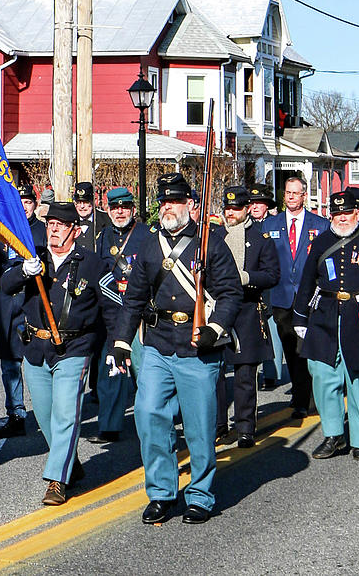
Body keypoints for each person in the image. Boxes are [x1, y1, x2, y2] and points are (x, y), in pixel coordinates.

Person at [111, 173, 242, 525]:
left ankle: (199, 494)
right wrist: (122, 342)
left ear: (191, 206)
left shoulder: (210, 244)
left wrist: (215, 328)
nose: (168, 208)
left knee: (199, 426)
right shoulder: (151, 247)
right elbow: (134, 298)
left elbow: (231, 293)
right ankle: (161, 493)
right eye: (164, 202)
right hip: (156, 343)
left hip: (197, 346)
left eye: (175, 201)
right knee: (148, 413)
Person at [2, 201, 122, 506]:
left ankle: (57, 479)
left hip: (74, 348)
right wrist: (23, 272)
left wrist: (115, 348)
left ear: (76, 230)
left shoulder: (93, 263)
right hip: (36, 349)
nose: (53, 229)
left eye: (61, 225)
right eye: (50, 224)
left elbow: (111, 308)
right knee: (46, 417)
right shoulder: (34, 258)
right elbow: (5, 285)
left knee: (67, 414)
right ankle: (70, 462)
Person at [292, 189, 359, 461]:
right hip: (325, 316)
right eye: (337, 213)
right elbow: (307, 281)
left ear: (357, 212)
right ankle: (333, 434)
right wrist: (300, 318)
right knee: (323, 376)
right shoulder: (321, 242)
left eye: (347, 213)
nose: (342, 218)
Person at [211, 187, 280, 447]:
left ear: (247, 209)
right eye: (227, 208)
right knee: (214, 373)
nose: (231, 213)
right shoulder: (214, 236)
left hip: (247, 310)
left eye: (236, 208)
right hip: (216, 309)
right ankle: (217, 425)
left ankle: (244, 427)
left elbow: (272, 275)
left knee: (244, 376)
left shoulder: (261, 239)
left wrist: (247, 277)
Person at [0, 183, 47, 439]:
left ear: (35, 204)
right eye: (18, 201)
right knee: (10, 365)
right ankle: (16, 413)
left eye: (28, 202)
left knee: (36, 363)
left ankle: (44, 411)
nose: (23, 206)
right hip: (8, 305)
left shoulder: (43, 232)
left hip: (33, 304)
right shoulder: (2, 233)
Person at [90, 186, 153, 444]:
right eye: (115, 207)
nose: (119, 212)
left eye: (124, 207)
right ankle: (110, 424)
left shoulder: (147, 235)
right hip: (112, 314)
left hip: (139, 314)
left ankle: (152, 423)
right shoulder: (103, 237)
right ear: (108, 209)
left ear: (133, 209)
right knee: (112, 371)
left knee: (144, 372)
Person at [263, 176, 329, 418]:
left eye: (295, 193)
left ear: (304, 196)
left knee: (310, 349)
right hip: (281, 297)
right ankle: (301, 396)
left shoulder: (320, 225)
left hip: (311, 297)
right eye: (287, 192)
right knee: (292, 350)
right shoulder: (270, 225)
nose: (291, 197)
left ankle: (312, 394)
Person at [248, 184, 283, 390]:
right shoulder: (246, 226)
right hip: (251, 284)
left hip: (271, 286)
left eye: (259, 203)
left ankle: (272, 373)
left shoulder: (275, 225)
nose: (254, 207)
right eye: (251, 203)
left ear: (267, 205)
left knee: (272, 333)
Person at [73, 182, 106, 252]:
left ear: (93, 202)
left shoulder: (106, 220)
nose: (82, 206)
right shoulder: (69, 221)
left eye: (85, 202)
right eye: (79, 202)